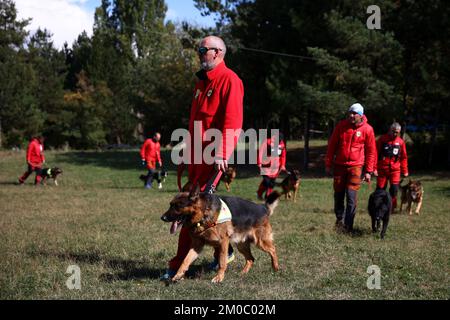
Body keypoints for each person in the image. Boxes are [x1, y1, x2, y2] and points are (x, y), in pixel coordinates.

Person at [162, 35, 244, 280]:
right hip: (197, 156)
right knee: (203, 211)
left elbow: (234, 121)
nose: (199, 54)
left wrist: (222, 151)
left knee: (192, 209)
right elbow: (195, 121)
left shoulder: (230, 80)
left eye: (202, 50)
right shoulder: (201, 82)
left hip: (213, 159)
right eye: (198, 50)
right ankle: (224, 250)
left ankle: (179, 265)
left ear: (217, 53)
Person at [325, 103, 377, 233]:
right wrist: (328, 163)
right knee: (338, 195)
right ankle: (339, 221)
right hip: (339, 166)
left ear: (361, 115)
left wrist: (369, 171)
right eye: (350, 113)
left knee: (351, 196)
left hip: (356, 167)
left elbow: (371, 152)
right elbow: (332, 145)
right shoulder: (341, 126)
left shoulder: (368, 129)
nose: (351, 116)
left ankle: (348, 227)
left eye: (354, 113)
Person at [374, 122, 409, 210]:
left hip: (395, 170)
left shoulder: (401, 142)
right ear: (390, 130)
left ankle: (391, 207)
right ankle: (378, 206)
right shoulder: (382, 139)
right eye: (393, 131)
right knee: (380, 189)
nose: (395, 134)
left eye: (397, 132)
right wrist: (374, 168)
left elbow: (404, 157)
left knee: (394, 189)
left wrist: (405, 170)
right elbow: (375, 154)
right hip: (382, 169)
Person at [257, 132, 287, 200]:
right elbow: (261, 152)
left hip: (276, 167)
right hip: (266, 166)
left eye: (280, 140)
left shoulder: (282, 144)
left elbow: (283, 156)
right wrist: (259, 162)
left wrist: (282, 165)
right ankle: (259, 193)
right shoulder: (267, 142)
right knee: (267, 181)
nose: (279, 142)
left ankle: (267, 196)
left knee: (272, 182)